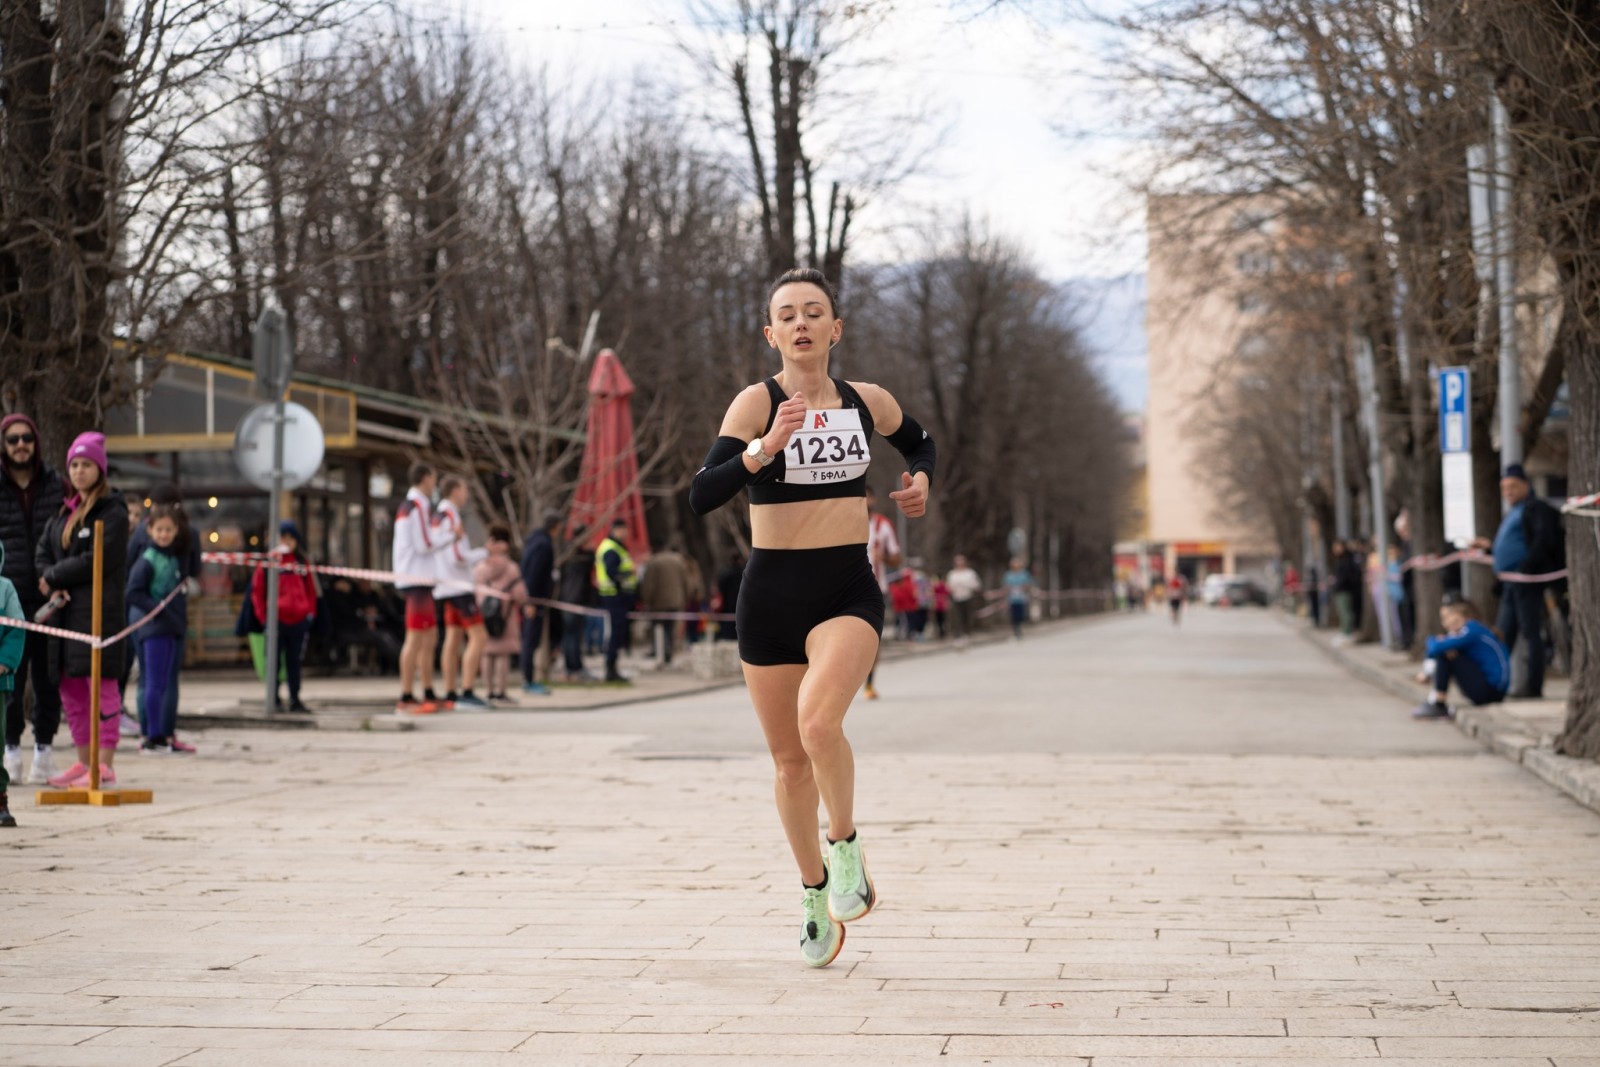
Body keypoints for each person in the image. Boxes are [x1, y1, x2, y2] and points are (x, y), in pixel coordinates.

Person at [688, 266, 935, 968]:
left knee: (819, 723)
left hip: (844, 591)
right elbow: (702, 494)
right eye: (787, 314)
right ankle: (812, 889)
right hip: (769, 597)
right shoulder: (755, 403)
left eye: (814, 311)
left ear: (835, 328)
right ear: (771, 334)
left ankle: (845, 843)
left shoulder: (866, 401)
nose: (801, 322)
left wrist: (921, 480)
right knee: (790, 764)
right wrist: (764, 448)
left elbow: (919, 441)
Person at [38, 432, 129, 788]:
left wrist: (54, 575)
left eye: (86, 464)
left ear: (100, 469)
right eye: (74, 464)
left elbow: (97, 559)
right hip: (65, 619)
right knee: (72, 693)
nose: (79, 471)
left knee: (102, 690)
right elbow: (42, 553)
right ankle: (83, 761)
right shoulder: (64, 512)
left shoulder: (113, 511)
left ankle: (104, 765)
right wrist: (50, 579)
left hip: (98, 616)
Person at [0, 413, 65, 787]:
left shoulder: (56, 484)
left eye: (26, 438)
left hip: (47, 596)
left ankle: (44, 750)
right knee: (9, 675)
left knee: (47, 676)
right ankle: (10, 750)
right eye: (13, 439)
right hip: (6, 599)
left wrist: (58, 577)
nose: (20, 445)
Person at [1472, 463, 1565, 699]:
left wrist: (1526, 569)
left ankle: (1533, 687)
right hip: (1511, 584)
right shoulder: (1513, 511)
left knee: (1531, 633)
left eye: (1513, 486)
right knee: (1503, 634)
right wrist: (1491, 549)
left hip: (1526, 582)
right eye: (1504, 488)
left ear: (1526, 485)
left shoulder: (1534, 509)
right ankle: (1497, 685)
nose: (1508, 492)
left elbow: (1542, 541)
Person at [125, 485, 200, 740]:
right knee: (159, 679)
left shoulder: (155, 540)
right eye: (159, 529)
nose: (164, 533)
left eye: (168, 529)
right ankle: (156, 734)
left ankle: (156, 734)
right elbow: (133, 586)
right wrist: (156, 606)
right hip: (155, 614)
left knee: (152, 677)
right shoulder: (152, 555)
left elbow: (127, 569)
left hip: (158, 615)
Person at [391, 462, 459, 714]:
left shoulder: (413, 506)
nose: (435, 484)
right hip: (416, 578)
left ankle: (427, 690)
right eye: (433, 478)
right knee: (416, 637)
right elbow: (424, 544)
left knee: (429, 636)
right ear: (425, 478)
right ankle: (407, 694)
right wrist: (452, 536)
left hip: (419, 578)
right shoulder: (417, 506)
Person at [432, 474, 490, 710]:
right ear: (455, 490)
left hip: (446, 586)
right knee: (478, 636)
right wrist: (484, 553)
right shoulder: (450, 516)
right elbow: (457, 556)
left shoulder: (439, 515)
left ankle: (451, 692)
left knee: (453, 638)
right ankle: (467, 690)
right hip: (458, 585)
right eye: (464, 489)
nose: (466, 494)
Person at [250, 521, 319, 713]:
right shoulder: (269, 562)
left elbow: (311, 590)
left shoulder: (301, 562)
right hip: (275, 620)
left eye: (290, 538)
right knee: (273, 662)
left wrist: (309, 613)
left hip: (298, 620)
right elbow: (257, 592)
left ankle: (295, 698)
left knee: (294, 662)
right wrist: (264, 617)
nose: (287, 542)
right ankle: (274, 698)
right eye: (283, 538)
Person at [1413, 594, 1509, 719]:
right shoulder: (1472, 628)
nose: (1445, 623)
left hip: (1491, 691)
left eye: (1448, 617)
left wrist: (1432, 640)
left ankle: (1439, 704)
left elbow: (1436, 647)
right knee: (1449, 651)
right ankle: (1435, 700)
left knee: (1445, 654)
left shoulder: (1471, 630)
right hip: (1492, 690)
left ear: (1461, 614)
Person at [474, 523, 528, 705]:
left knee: (486, 653)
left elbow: (475, 590)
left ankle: (488, 691)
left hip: (484, 615)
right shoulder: (511, 568)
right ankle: (501, 692)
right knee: (502, 654)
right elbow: (520, 593)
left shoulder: (480, 567)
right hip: (505, 615)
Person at [0, 537, 29, 825]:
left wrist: (5, 662)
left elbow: (16, 628)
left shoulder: (5, 589)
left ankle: (0, 799)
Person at [863, 485, 900, 699]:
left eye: (867, 496)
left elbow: (897, 557)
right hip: (844, 588)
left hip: (875, 589)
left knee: (872, 640)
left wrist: (882, 557)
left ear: (873, 500)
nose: (863, 499)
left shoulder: (882, 525)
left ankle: (869, 683)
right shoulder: (842, 521)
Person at [519, 508, 561, 694]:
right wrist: (531, 601)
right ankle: (528, 680)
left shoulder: (534, 541)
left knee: (530, 639)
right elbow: (534, 573)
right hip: (535, 599)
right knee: (530, 640)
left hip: (535, 597)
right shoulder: (543, 545)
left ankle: (529, 678)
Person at [594, 517, 639, 683]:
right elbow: (612, 573)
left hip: (617, 597)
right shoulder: (611, 549)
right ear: (616, 530)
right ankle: (610, 669)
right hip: (614, 596)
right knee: (616, 633)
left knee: (618, 633)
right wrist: (630, 573)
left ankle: (612, 668)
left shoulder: (617, 547)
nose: (626, 533)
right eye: (624, 530)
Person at [326, 577, 400, 674]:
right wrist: (365, 622)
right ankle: (403, 660)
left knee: (388, 633)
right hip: (348, 631)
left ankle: (400, 661)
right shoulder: (336, 598)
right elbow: (348, 617)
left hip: (359, 628)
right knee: (383, 637)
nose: (346, 585)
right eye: (343, 583)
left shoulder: (365, 595)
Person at [639, 541, 692, 667]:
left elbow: (649, 584)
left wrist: (646, 600)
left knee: (658, 628)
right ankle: (668, 652)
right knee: (670, 628)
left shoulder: (654, 562)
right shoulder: (678, 560)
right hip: (676, 601)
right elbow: (687, 582)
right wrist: (686, 598)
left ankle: (661, 652)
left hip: (658, 602)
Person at [559, 548, 598, 682]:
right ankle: (575, 668)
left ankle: (571, 668)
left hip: (566, 600)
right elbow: (591, 559)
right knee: (574, 637)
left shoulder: (568, 560)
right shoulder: (581, 561)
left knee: (569, 636)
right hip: (574, 602)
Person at [945, 553, 982, 649]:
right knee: (957, 618)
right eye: (957, 561)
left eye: (961, 560)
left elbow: (977, 585)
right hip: (956, 598)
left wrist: (966, 585)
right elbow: (948, 586)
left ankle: (967, 635)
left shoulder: (970, 573)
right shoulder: (952, 574)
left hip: (968, 597)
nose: (959, 562)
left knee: (967, 618)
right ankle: (958, 637)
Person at [1331, 541, 1362, 640]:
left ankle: (1348, 633)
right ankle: (1344, 631)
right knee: (1342, 612)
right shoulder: (1340, 559)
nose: (1335, 549)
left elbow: (1347, 576)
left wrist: (1338, 584)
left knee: (1346, 613)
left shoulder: (1347, 559)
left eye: (1338, 547)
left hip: (1345, 589)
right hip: (1340, 589)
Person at [715, 551, 744, 642]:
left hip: (726, 606)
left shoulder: (725, 573)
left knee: (727, 634)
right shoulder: (744, 574)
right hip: (741, 606)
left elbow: (719, 588)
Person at [1004, 557, 1036, 638]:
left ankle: (1020, 628)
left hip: (1022, 598)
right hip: (1012, 599)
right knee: (1013, 616)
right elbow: (1006, 586)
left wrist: (1023, 587)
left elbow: (1029, 584)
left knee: (1021, 615)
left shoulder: (1024, 574)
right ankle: (1016, 630)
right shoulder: (1008, 575)